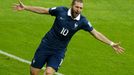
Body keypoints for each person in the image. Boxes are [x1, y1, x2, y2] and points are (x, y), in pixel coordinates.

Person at [13, 0, 124, 75]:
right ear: (72, 5)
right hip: (45, 45)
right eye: (77, 7)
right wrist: (26, 7)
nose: (78, 10)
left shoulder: (82, 21)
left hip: (59, 51)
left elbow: (95, 33)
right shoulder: (61, 11)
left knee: (48, 73)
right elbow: (44, 10)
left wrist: (111, 43)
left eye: (81, 8)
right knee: (33, 72)